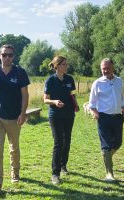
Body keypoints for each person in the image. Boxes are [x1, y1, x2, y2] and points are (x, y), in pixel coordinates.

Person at [0, 44, 30, 194]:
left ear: (13, 57)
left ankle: (15, 172)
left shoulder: (20, 72)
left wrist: (23, 113)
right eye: (4, 55)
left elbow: (25, 95)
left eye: (10, 55)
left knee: (14, 148)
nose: (7, 57)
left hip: (14, 117)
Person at [89, 58, 124, 181]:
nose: (105, 71)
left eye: (108, 68)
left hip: (117, 117)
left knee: (118, 143)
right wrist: (96, 114)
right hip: (103, 117)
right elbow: (92, 103)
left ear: (113, 68)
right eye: (103, 69)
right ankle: (109, 174)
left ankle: (107, 157)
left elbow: (122, 97)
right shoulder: (97, 83)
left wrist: (123, 112)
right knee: (106, 145)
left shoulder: (119, 81)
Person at [43, 55, 78, 185]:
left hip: (69, 114)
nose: (66, 66)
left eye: (66, 64)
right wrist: (54, 101)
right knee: (59, 142)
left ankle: (63, 166)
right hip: (55, 115)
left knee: (67, 140)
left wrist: (75, 104)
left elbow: (71, 94)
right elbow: (45, 99)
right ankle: (55, 174)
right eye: (64, 64)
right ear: (57, 66)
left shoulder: (69, 79)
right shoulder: (50, 81)